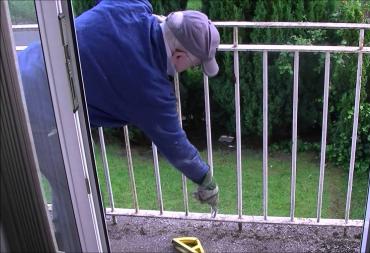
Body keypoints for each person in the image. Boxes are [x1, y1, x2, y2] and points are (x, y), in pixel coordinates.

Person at [18, 0, 219, 251]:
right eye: (195, 64)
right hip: (34, 114)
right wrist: (205, 178)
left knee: (70, 186)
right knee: (76, 196)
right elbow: (175, 144)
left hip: (17, 70)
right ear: (179, 56)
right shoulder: (151, 89)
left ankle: (63, 238)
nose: (191, 69)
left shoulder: (131, 5)